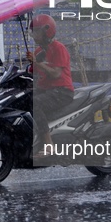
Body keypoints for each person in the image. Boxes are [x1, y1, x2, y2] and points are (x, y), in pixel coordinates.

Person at [26, 14, 74, 158]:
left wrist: (37, 62)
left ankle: (48, 144)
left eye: (37, 31)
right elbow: (32, 72)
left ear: (47, 31)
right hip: (46, 90)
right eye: (33, 32)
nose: (34, 35)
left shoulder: (59, 48)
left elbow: (56, 74)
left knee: (36, 104)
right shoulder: (38, 52)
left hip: (62, 91)